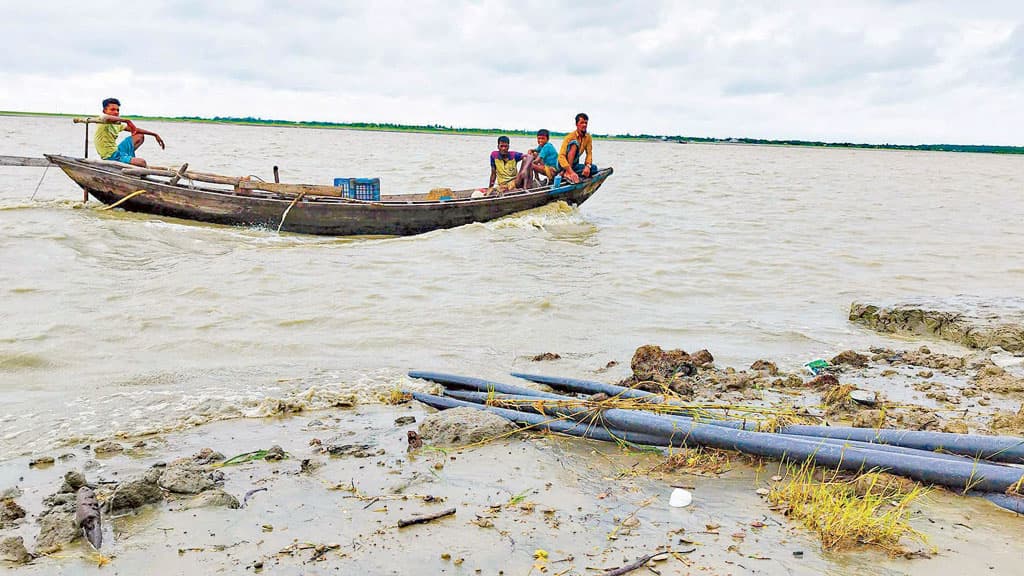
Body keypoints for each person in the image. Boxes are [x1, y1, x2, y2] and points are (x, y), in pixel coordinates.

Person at [93, 98, 164, 167]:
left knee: (139, 136)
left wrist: (155, 134)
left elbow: (136, 130)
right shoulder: (102, 120)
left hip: (117, 151)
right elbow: (106, 118)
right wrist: (127, 121)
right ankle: (126, 160)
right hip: (110, 156)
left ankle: (126, 159)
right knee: (142, 162)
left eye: (118, 110)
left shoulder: (116, 124)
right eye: (112, 109)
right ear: (104, 111)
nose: (116, 112)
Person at [558, 112, 598, 184]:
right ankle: (567, 172)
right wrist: (570, 171)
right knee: (575, 143)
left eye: (586, 123)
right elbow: (561, 156)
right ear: (577, 124)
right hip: (563, 164)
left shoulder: (588, 137)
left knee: (594, 168)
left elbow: (589, 154)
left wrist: (588, 166)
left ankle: (565, 173)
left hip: (574, 165)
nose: (584, 125)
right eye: (582, 123)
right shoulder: (569, 137)